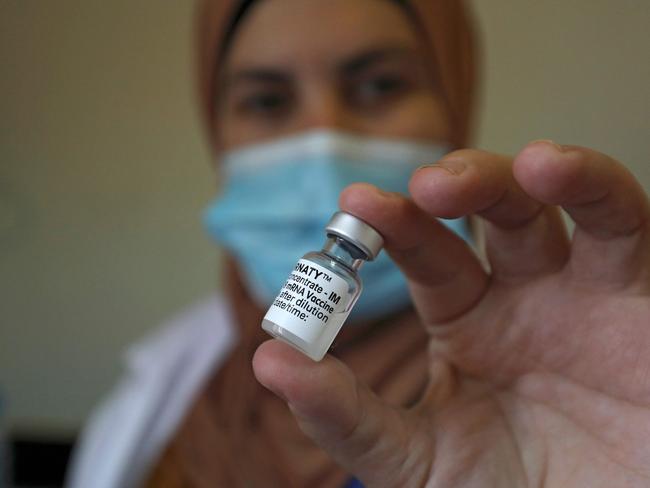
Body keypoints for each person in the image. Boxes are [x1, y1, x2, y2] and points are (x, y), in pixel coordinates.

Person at [67, 0, 650, 487]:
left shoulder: (569, 388)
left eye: (380, 85)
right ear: (214, 132)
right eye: (267, 100)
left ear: (455, 99)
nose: (324, 136)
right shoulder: (156, 408)